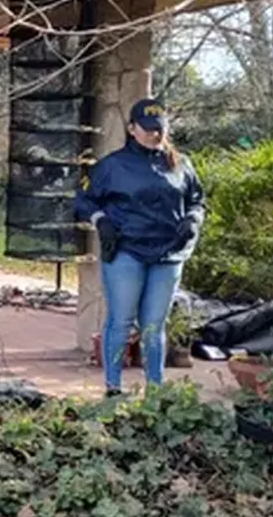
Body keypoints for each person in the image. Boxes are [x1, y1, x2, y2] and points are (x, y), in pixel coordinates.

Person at [75, 98, 205, 396]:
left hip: (169, 254)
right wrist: (100, 220)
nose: (153, 135)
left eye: (159, 129)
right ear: (132, 129)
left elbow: (197, 199)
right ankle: (112, 389)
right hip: (126, 252)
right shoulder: (112, 166)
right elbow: (84, 199)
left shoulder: (181, 164)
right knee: (121, 322)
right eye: (146, 129)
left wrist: (193, 219)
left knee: (154, 325)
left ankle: (155, 392)